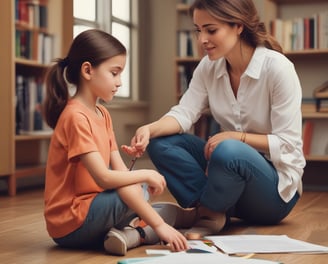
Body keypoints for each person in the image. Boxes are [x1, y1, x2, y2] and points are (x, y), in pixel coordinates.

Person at [123, 0, 306, 237]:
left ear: (238, 26)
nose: (202, 40)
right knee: (161, 142)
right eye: (198, 31)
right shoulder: (208, 68)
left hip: (274, 193)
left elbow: (288, 143)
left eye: (211, 30)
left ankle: (207, 214)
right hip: (227, 180)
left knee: (229, 149)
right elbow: (184, 113)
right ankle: (211, 210)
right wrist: (150, 128)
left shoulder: (278, 68)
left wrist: (236, 137)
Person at [43, 29, 197, 256]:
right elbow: (104, 179)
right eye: (114, 73)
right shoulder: (75, 117)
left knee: (136, 190)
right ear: (87, 70)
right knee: (138, 192)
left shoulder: (102, 114)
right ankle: (151, 228)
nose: (120, 82)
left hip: (92, 209)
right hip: (70, 223)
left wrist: (139, 179)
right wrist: (146, 174)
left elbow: (121, 172)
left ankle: (132, 233)